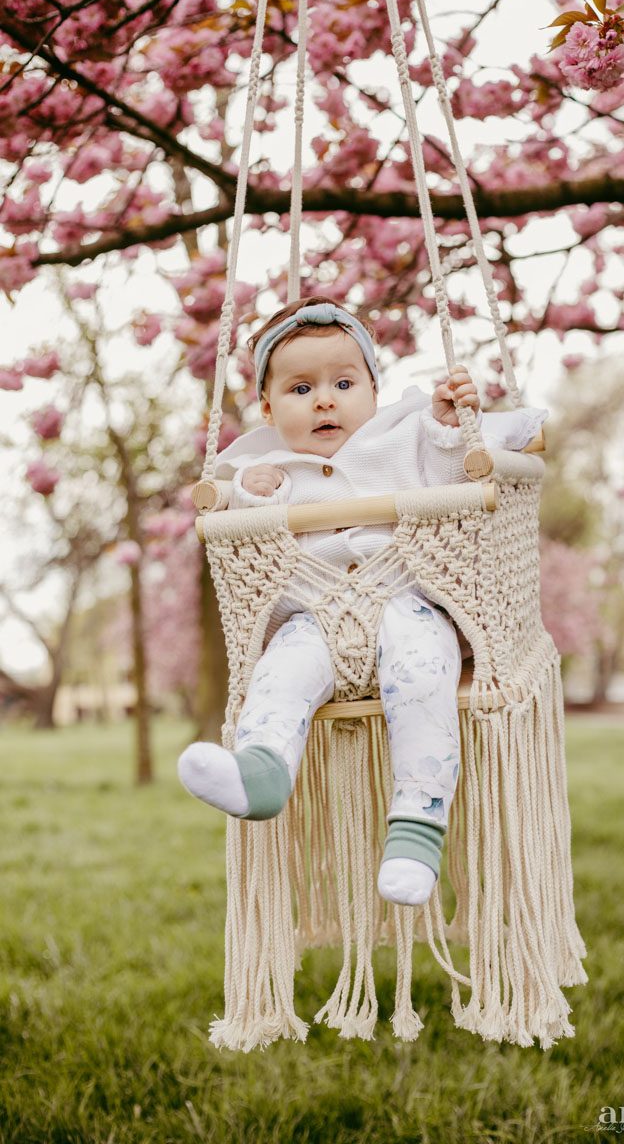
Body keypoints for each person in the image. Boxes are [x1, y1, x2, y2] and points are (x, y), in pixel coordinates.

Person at [178, 297, 547, 905]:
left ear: (374, 391)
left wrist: (452, 424)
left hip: (412, 608)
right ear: (268, 409)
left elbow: (463, 469)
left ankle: (418, 824)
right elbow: (241, 532)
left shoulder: (402, 440)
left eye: (344, 383)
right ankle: (262, 768)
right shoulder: (261, 467)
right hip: (314, 621)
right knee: (277, 673)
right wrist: (250, 495)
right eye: (301, 388)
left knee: (426, 676)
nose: (325, 399)